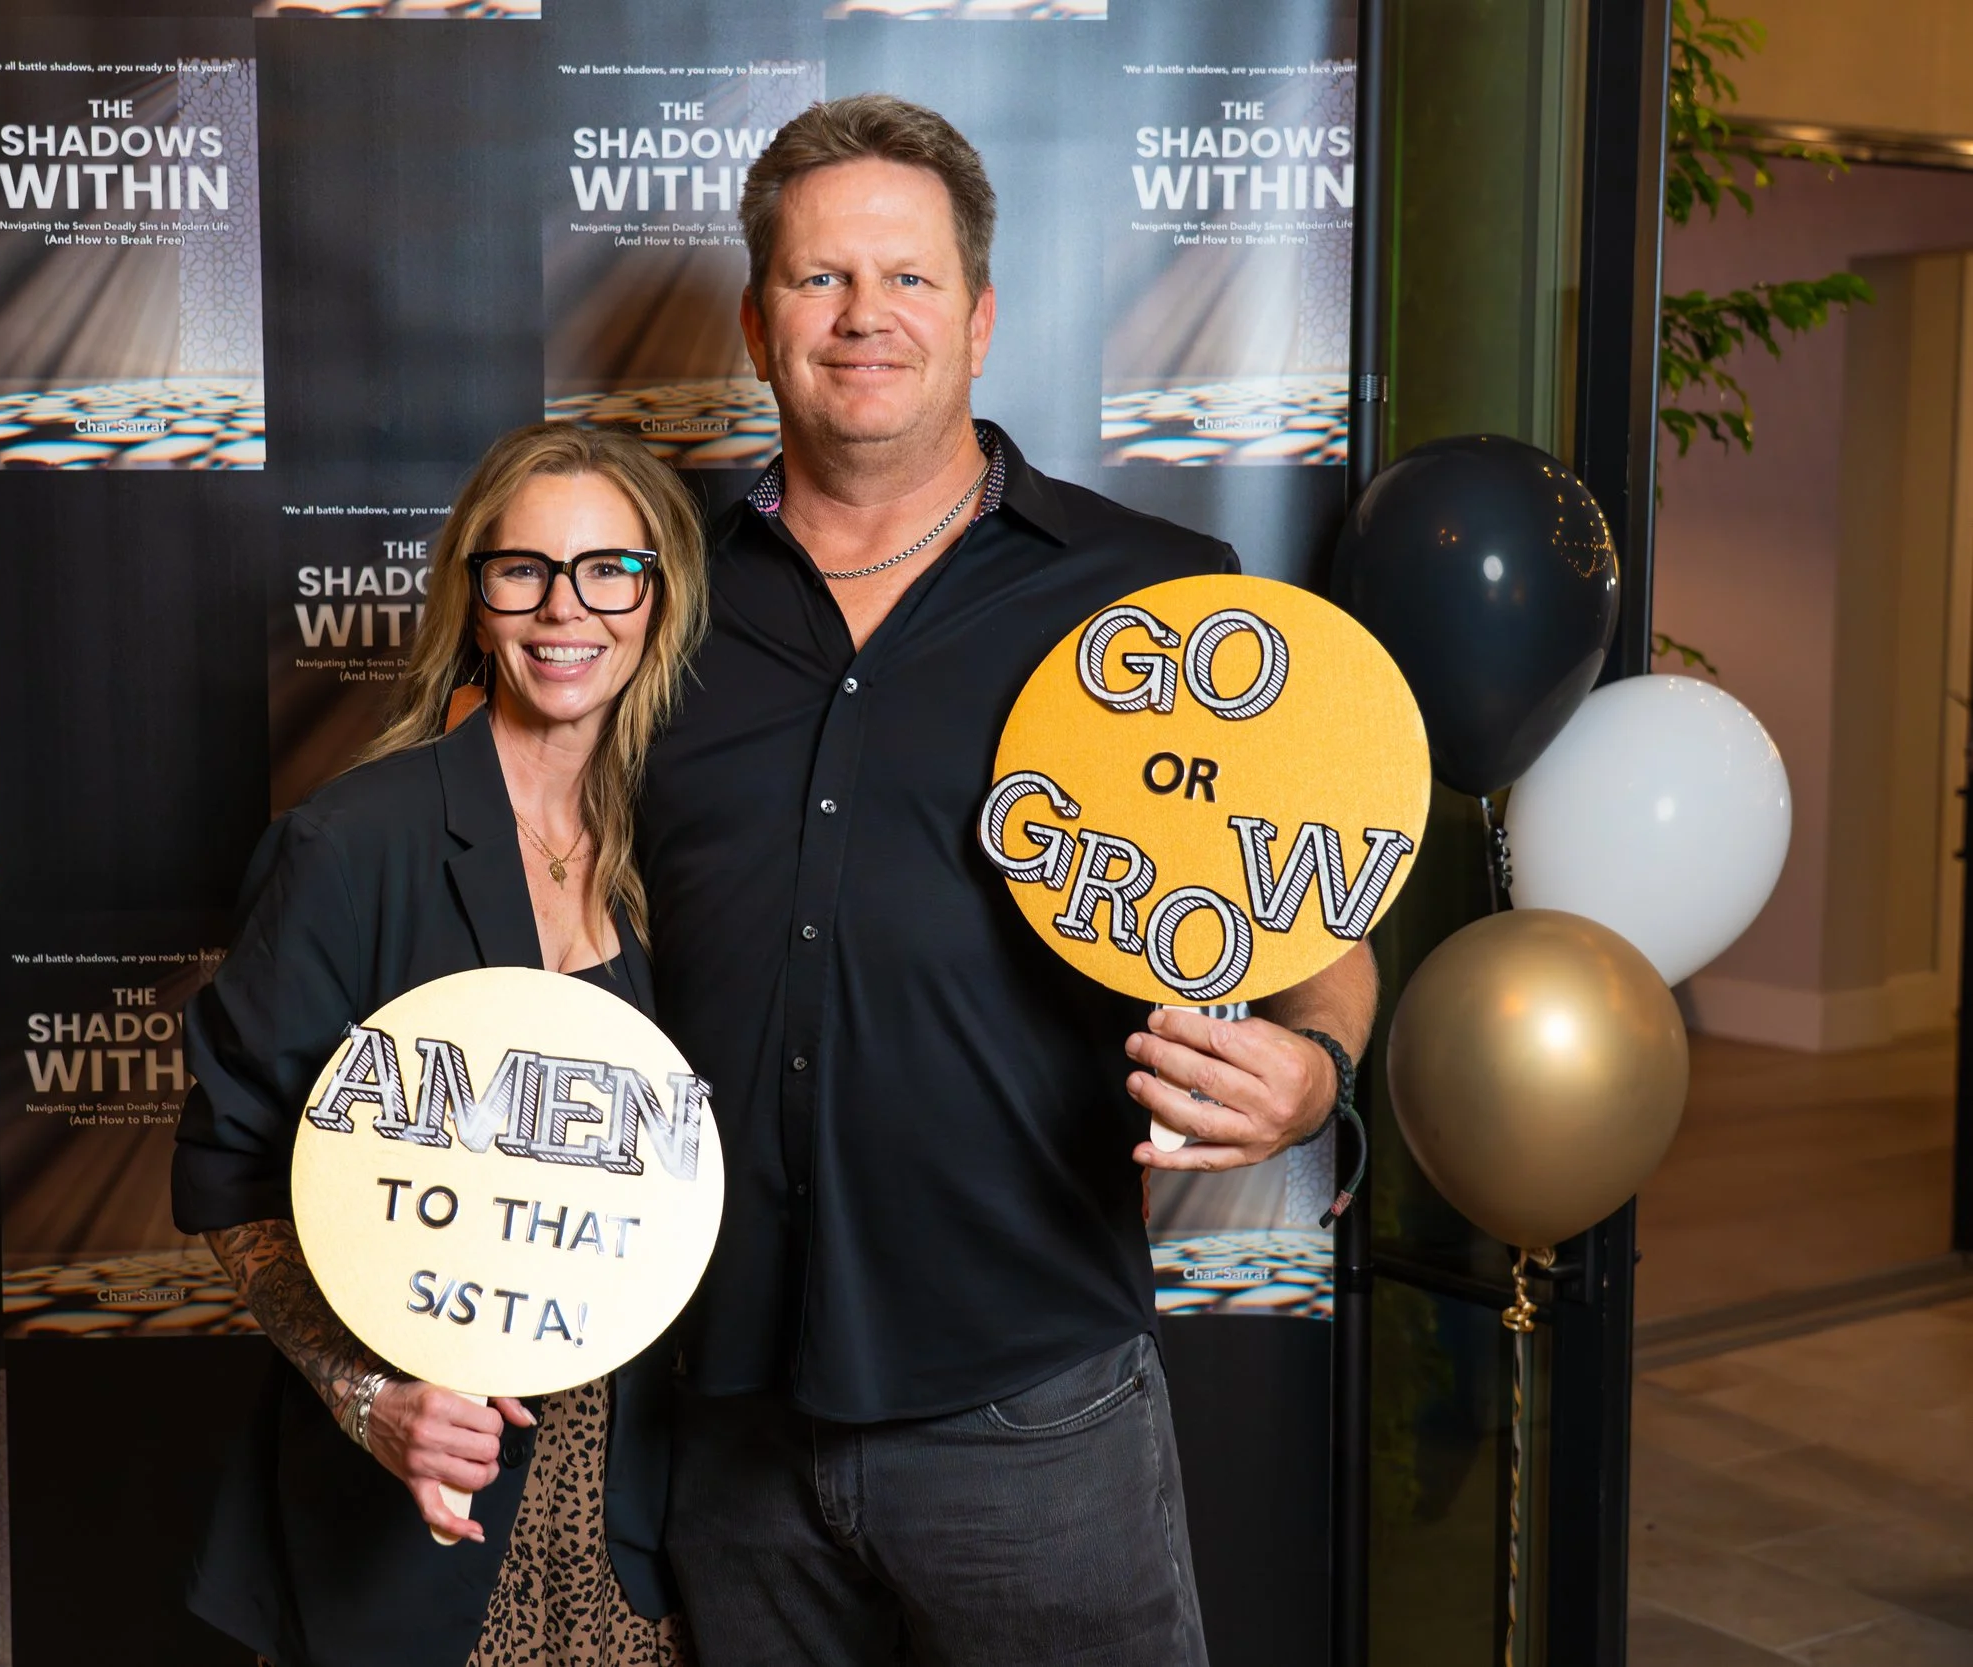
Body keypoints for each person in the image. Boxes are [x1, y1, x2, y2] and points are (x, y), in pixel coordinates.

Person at [636, 95, 1380, 1665]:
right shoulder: (651, 605)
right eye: (821, 278)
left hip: (1029, 1397)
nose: (864, 318)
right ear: (758, 319)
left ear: (978, 318)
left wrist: (1310, 1074)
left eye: (907, 280)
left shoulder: (1158, 601)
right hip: (721, 1401)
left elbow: (1324, 947)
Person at [172, 422, 710, 1667]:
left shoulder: (697, 852)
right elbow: (232, 1177)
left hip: (658, 1515)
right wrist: (372, 1400)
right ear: (474, 598)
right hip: (416, 1531)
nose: (563, 607)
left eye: (606, 570)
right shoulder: (352, 843)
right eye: (521, 568)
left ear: (657, 597)